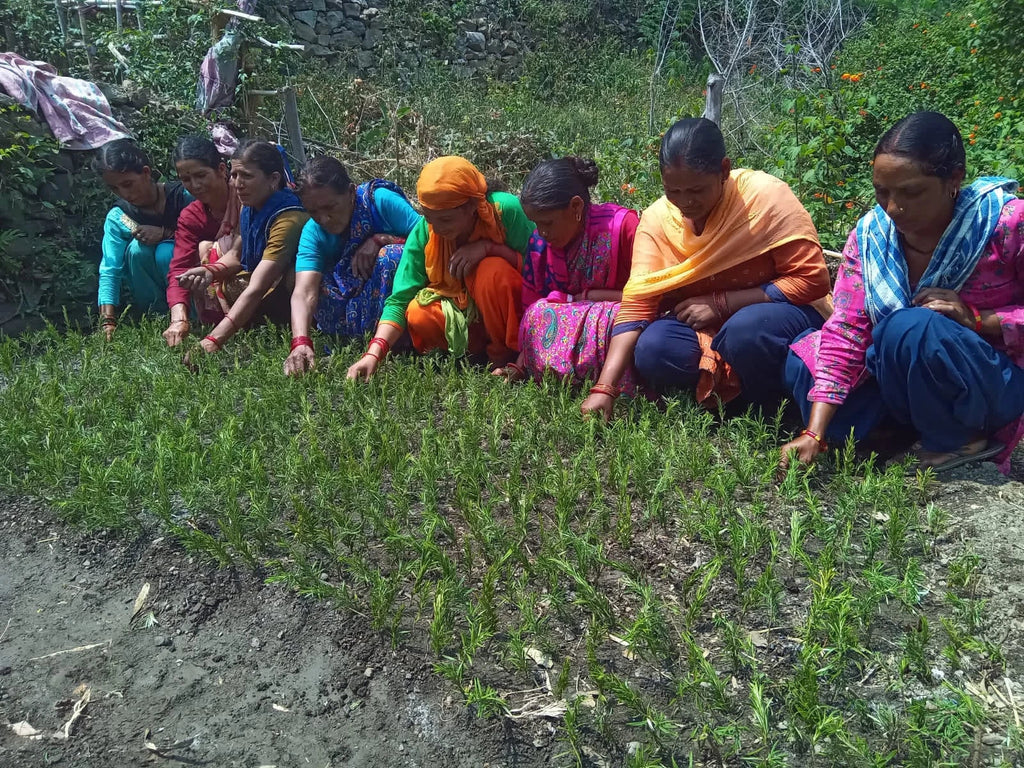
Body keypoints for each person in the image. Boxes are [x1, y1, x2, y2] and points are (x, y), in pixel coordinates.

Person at [781, 111, 1024, 474]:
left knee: (911, 328)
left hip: (987, 382)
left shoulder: (1006, 226)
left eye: (911, 192)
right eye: (882, 192)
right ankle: (892, 430)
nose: (893, 208)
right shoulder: (871, 235)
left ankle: (960, 437)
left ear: (953, 179)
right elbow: (848, 329)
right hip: (901, 375)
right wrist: (814, 432)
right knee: (806, 355)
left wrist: (978, 319)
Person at [580, 117, 832, 419]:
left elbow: (812, 280)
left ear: (724, 170)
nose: (685, 202)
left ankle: (772, 409)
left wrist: (722, 303)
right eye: (674, 191)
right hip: (706, 328)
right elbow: (638, 304)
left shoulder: (764, 198)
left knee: (745, 332)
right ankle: (729, 403)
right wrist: (604, 387)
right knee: (654, 348)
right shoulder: (659, 218)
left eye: (697, 190)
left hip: (778, 314)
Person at [346, 156, 533, 380]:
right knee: (418, 313)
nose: (437, 229)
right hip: (467, 321)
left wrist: (490, 248)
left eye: (445, 219)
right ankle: (472, 354)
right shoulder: (426, 231)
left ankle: (507, 355)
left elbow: (537, 269)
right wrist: (373, 354)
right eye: (429, 218)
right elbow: (399, 299)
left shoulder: (504, 211)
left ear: (472, 206)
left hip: (511, 315)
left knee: (492, 272)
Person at [494, 156, 640, 391]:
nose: (542, 232)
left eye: (548, 223)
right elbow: (533, 311)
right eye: (536, 224)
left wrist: (588, 298)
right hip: (571, 335)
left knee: (615, 317)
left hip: (620, 331)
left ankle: (610, 381)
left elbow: (649, 298)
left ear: (576, 206)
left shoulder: (622, 228)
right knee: (539, 312)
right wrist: (519, 365)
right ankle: (559, 373)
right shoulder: (539, 245)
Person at [285, 156, 420, 375]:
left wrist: (381, 240)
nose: (324, 219)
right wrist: (300, 341)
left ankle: (394, 340)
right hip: (349, 300)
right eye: (313, 212)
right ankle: (354, 340)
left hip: (401, 294)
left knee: (391, 256)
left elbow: (430, 237)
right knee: (307, 280)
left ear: (350, 192)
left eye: (330, 207)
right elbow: (304, 291)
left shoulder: (380, 201)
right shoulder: (313, 232)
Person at [178, 141, 308, 354]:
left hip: (290, 288)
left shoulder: (289, 218)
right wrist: (209, 271)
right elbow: (237, 254)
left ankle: (295, 329)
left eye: (246, 176)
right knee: (213, 258)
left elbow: (258, 286)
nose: (237, 184)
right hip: (267, 282)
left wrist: (214, 340)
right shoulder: (249, 207)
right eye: (234, 175)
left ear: (274, 179)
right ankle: (248, 323)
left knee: (293, 277)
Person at [94, 138, 192, 339]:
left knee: (166, 252)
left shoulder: (184, 197)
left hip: (193, 283)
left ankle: (191, 316)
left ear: (146, 173)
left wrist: (165, 234)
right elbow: (109, 268)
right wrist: (107, 322)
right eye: (115, 189)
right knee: (138, 250)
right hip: (152, 287)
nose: (124, 193)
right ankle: (157, 317)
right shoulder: (120, 216)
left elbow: (209, 237)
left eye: (128, 184)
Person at [163, 134, 238, 347]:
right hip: (225, 279)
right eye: (186, 179)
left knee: (210, 248)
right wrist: (178, 319)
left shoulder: (246, 198)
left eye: (201, 175)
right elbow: (180, 269)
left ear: (222, 170)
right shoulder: (191, 216)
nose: (194, 185)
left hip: (256, 275)